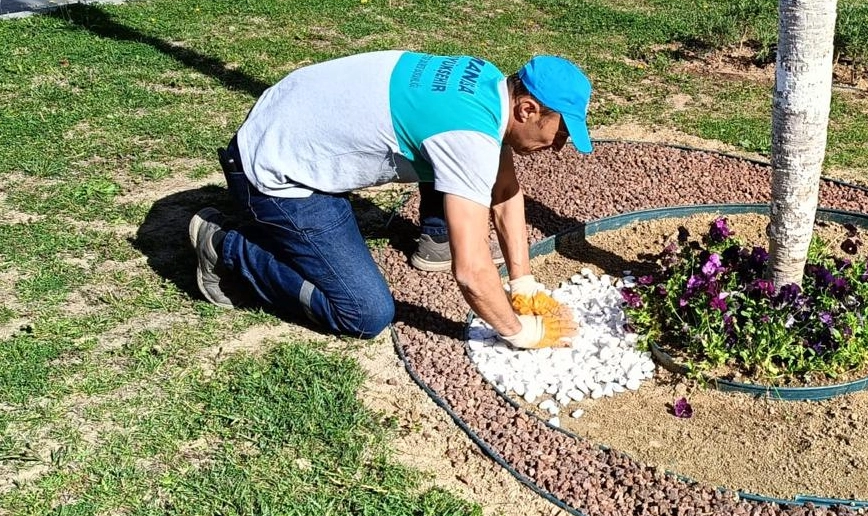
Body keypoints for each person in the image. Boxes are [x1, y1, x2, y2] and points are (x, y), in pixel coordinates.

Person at [190, 51, 594, 349]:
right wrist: (520, 332)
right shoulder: (468, 138)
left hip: (287, 114)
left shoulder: (488, 82)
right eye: (559, 134)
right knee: (364, 313)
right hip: (272, 172)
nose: (558, 147)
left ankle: (434, 233)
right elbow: (471, 272)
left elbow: (503, 192)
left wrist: (521, 280)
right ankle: (224, 244)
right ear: (527, 108)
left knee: (455, 159)